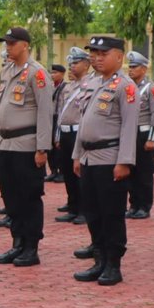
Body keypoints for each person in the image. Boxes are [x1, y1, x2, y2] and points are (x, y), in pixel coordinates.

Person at [71, 36, 139, 286]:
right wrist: (77, 154)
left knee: (111, 214)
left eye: (103, 54)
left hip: (110, 159)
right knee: (93, 213)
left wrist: (124, 162)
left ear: (119, 57)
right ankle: (98, 260)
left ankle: (113, 264)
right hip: (88, 158)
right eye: (95, 54)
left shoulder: (125, 86)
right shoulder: (92, 83)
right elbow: (83, 121)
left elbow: (129, 126)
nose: (97, 58)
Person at [0, 27, 55, 267]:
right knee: (11, 196)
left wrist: (42, 148)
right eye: (6, 43)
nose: (7, 47)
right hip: (7, 143)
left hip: (27, 145)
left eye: (12, 43)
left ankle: (31, 247)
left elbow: (45, 113)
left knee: (29, 197)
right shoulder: (7, 71)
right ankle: (17, 243)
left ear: (25, 45)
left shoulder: (37, 73)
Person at [54, 48, 96, 226]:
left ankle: (84, 210)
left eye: (76, 63)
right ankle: (72, 207)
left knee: (79, 173)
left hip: (78, 133)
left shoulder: (92, 84)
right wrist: (57, 135)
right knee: (67, 173)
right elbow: (60, 112)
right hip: (65, 133)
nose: (72, 66)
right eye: (71, 63)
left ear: (86, 65)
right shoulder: (68, 86)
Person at [127, 51, 154, 219]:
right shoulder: (129, 88)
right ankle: (134, 204)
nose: (131, 70)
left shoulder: (151, 88)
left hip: (144, 134)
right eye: (130, 67)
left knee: (144, 173)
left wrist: (151, 138)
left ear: (143, 69)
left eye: (134, 67)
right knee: (131, 172)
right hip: (130, 135)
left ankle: (144, 206)